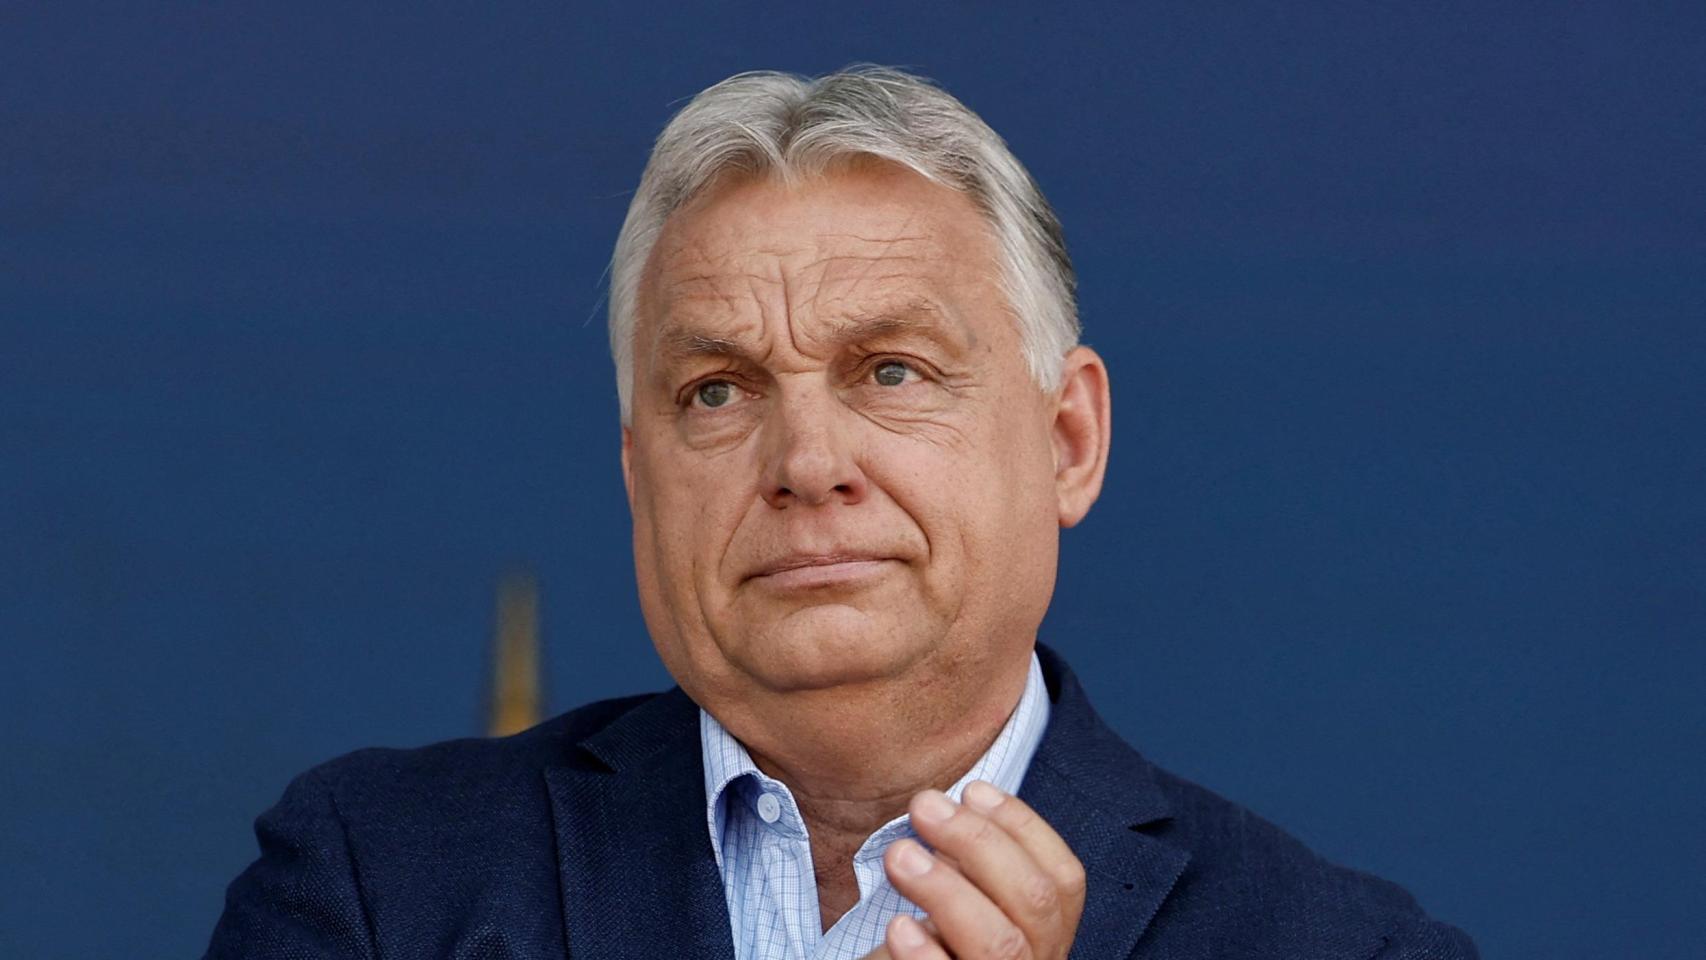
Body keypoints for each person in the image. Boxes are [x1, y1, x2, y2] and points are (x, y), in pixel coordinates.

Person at [206, 67, 1478, 960]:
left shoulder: (1346, 949)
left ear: (1067, 441)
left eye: (891, 372)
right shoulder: (376, 883)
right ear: (640, 477)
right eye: (717, 390)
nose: (807, 463)